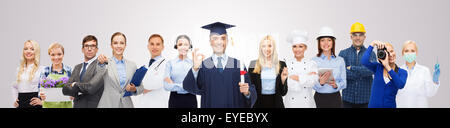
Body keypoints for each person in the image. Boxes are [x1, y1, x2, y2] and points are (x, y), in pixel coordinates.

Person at [183, 22, 257, 108]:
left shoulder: (237, 64)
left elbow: (249, 89)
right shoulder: (205, 65)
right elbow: (191, 87)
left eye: (223, 38)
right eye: (215, 38)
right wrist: (195, 68)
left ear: (227, 41)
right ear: (210, 41)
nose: (219, 42)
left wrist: (247, 93)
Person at [97, 32, 144, 108]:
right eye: (115, 43)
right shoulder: (105, 62)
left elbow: (141, 88)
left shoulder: (132, 65)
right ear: (111, 45)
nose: (118, 46)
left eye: (121, 43)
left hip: (126, 105)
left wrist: (134, 89)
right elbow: (98, 74)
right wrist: (101, 63)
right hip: (108, 104)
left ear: (125, 45)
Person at [339, 22, 376, 108]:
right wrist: (362, 72)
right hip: (347, 100)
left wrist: (351, 68)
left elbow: (371, 70)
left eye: (360, 35)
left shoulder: (371, 54)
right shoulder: (343, 53)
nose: (358, 38)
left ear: (364, 37)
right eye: (355, 35)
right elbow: (342, 73)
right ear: (351, 36)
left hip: (365, 100)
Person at [62, 35, 106, 108]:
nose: (89, 49)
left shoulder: (101, 66)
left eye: (93, 46)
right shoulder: (77, 67)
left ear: (97, 49)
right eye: (86, 46)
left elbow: (91, 88)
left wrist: (75, 85)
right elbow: (65, 89)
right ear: (82, 49)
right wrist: (77, 89)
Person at [362, 40, 407, 108]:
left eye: (392, 51)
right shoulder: (377, 67)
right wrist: (373, 44)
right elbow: (364, 61)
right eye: (387, 53)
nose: (391, 55)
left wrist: (387, 66)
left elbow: (400, 85)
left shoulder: (402, 72)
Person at [396, 40, 440, 108]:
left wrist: (435, 81)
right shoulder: (397, 71)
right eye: (406, 51)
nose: (409, 53)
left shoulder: (424, 71)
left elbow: (430, 93)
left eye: (412, 51)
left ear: (416, 53)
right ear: (402, 53)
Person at [248, 35, 288, 108]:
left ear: (274, 48)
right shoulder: (253, 64)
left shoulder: (281, 64)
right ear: (261, 48)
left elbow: (283, 93)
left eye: (270, 46)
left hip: (276, 104)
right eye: (264, 46)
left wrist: (283, 80)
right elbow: (251, 90)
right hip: (258, 104)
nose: (267, 49)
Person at [312, 26, 347, 108]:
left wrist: (336, 85)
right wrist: (320, 83)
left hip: (335, 99)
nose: (326, 43)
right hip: (319, 99)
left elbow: (344, 82)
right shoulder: (313, 61)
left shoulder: (340, 60)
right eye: (322, 40)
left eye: (329, 40)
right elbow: (311, 83)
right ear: (319, 43)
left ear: (333, 42)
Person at [132, 34, 170, 108]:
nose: (154, 47)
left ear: (163, 47)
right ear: (148, 46)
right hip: (143, 104)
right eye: (152, 44)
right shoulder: (145, 65)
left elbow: (154, 84)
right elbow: (136, 84)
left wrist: (140, 88)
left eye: (158, 44)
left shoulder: (167, 65)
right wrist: (141, 88)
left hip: (158, 104)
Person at [283, 30, 319, 108]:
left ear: (305, 48)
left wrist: (296, 77)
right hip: (290, 104)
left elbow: (313, 82)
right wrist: (306, 77)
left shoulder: (312, 63)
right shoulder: (286, 64)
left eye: (300, 46)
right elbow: (286, 83)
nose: (297, 50)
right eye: (294, 46)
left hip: (307, 104)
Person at [163, 35, 197, 108]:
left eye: (186, 44)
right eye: (180, 44)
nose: (183, 47)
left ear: (189, 46)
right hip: (175, 100)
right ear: (176, 47)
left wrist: (174, 84)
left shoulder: (194, 64)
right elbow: (166, 86)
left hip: (191, 99)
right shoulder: (170, 64)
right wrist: (187, 86)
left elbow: (197, 85)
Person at [39, 42, 73, 108]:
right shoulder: (45, 71)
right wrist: (41, 95)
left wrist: (73, 94)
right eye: (53, 55)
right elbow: (39, 89)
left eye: (59, 54)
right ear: (49, 55)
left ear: (63, 54)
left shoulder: (69, 71)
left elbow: (74, 89)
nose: (56, 57)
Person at [12, 40, 43, 108]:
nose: (28, 51)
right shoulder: (19, 70)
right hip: (21, 103)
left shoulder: (42, 69)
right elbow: (14, 86)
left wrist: (43, 102)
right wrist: (15, 99)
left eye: (32, 49)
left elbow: (48, 88)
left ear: (36, 52)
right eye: (26, 49)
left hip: (34, 104)